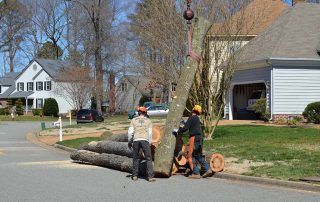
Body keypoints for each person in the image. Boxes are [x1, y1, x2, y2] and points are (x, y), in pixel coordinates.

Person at [177, 105, 213, 179]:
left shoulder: (192, 117)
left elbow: (186, 128)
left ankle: (196, 173)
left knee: (191, 155)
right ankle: (207, 169)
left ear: (193, 110)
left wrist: (178, 131)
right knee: (198, 155)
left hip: (194, 138)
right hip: (200, 138)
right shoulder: (197, 118)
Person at [127, 106, 156, 182]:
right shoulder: (148, 121)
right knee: (148, 158)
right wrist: (149, 142)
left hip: (136, 140)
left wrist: (130, 141)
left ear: (138, 112)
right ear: (145, 113)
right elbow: (150, 133)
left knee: (135, 158)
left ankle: (135, 175)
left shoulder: (133, 120)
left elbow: (130, 132)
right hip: (145, 140)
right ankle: (150, 177)